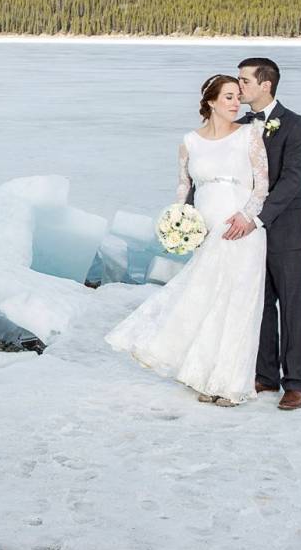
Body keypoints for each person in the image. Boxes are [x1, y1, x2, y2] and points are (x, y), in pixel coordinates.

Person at [105, 74, 270, 405]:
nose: (237, 103)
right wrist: (178, 217)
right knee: (204, 301)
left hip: (241, 230)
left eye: (238, 96)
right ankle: (202, 377)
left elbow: (262, 185)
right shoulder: (189, 142)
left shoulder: (250, 136)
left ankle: (231, 385)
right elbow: (184, 184)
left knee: (237, 306)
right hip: (207, 230)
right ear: (211, 102)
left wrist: (247, 217)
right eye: (228, 97)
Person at [225, 57, 301, 410]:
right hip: (249, 230)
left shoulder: (297, 125)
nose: (239, 86)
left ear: (266, 85)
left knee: (292, 306)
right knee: (260, 303)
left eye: (245, 80)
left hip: (287, 228)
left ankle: (295, 383)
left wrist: (257, 218)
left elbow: (292, 181)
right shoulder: (241, 125)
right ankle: (265, 375)